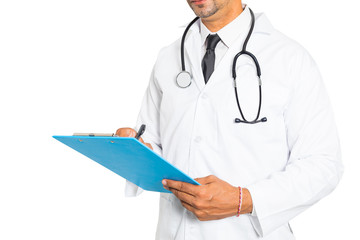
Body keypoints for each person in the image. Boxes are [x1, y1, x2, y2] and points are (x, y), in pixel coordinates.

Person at [116, 0, 343, 239]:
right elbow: (156, 143)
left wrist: (243, 200)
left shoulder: (289, 58)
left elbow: (323, 164)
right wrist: (137, 151)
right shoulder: (169, 57)